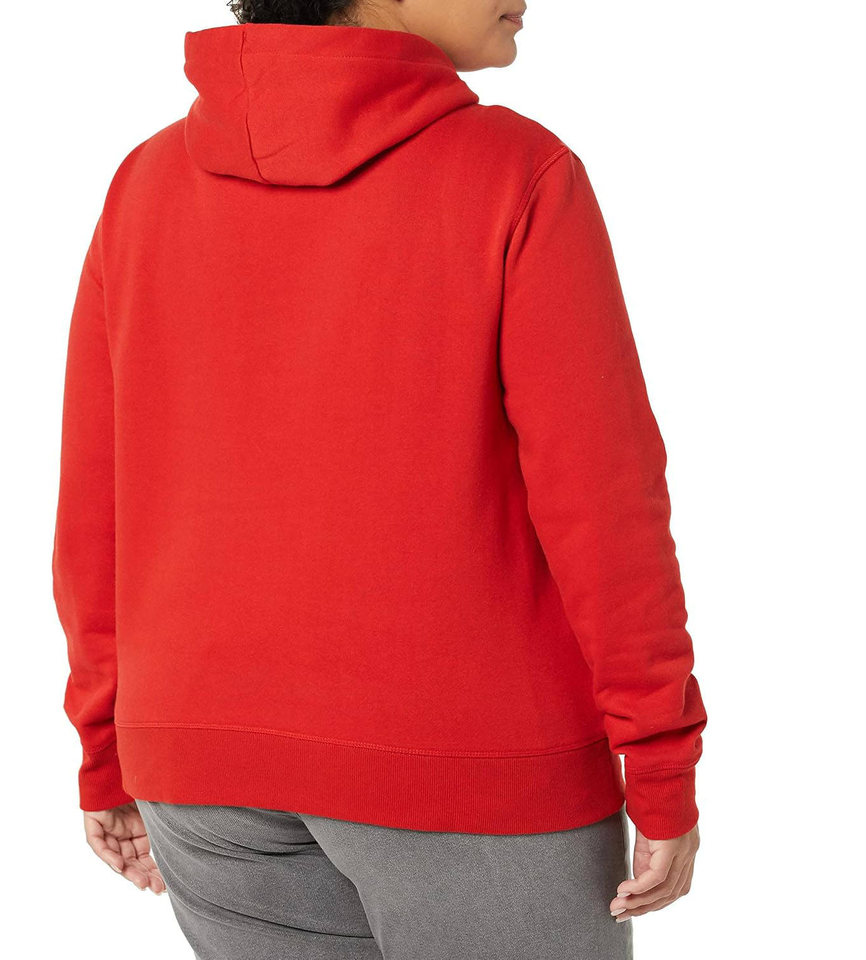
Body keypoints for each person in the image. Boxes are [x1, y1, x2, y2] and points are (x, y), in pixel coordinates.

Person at [51, 1, 708, 957]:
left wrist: (107, 747)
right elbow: (604, 502)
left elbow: (94, 502)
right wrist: (659, 755)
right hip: (474, 773)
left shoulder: (145, 181)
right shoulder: (515, 172)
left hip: (200, 764)